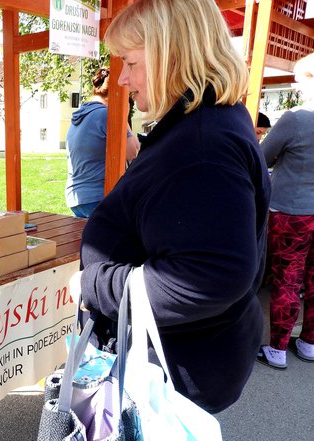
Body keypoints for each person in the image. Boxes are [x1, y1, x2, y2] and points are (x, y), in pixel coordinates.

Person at [69, 0, 271, 413]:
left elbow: (209, 277)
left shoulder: (202, 143)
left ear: (171, 54)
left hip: (172, 374)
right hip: (189, 358)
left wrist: (93, 286)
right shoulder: (206, 122)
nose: (123, 78)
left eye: (131, 62)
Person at [257, 52, 314, 369]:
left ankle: (277, 348)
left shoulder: (295, 119)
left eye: (299, 78)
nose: (295, 84)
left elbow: (263, 157)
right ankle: (308, 344)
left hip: (291, 212)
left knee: (287, 281)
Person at [65, 67, 140, 218]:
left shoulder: (80, 116)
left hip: (76, 197)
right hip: (97, 196)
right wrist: (122, 115)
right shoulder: (105, 115)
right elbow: (133, 152)